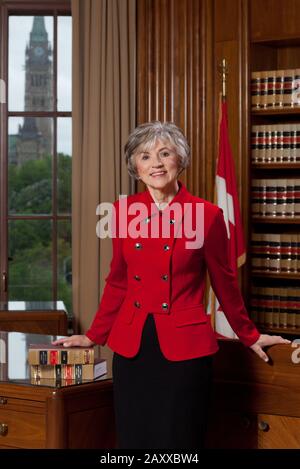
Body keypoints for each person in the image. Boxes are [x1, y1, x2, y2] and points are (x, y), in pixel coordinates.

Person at [53, 121, 290, 449]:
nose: (156, 163)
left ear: (180, 159)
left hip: (185, 350)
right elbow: (118, 283)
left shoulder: (207, 215)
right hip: (133, 347)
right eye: (146, 156)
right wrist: (94, 336)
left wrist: (248, 334)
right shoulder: (124, 212)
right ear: (135, 166)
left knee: (178, 441)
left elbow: (225, 283)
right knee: (134, 440)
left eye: (165, 154)